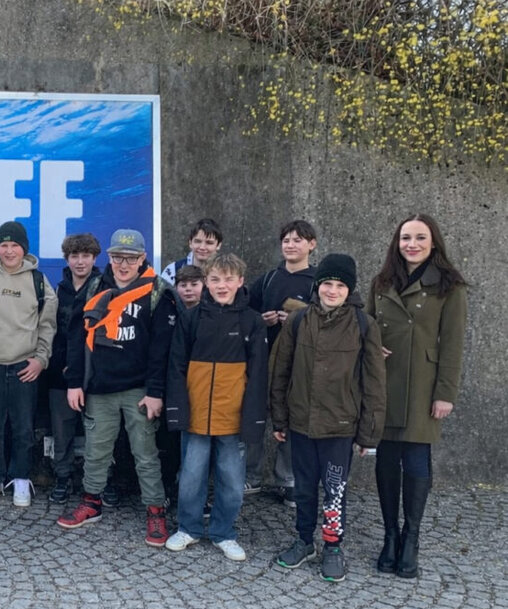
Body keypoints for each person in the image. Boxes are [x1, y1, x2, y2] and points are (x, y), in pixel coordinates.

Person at [270, 254, 387, 581]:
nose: (332, 291)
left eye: (340, 285)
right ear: (317, 285)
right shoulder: (297, 321)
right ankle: (304, 540)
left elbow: (374, 383)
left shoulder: (364, 325)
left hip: (340, 426)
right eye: (327, 284)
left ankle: (333, 546)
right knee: (304, 488)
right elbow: (280, 371)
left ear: (349, 290)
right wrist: (279, 419)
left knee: (334, 489)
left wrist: (368, 434)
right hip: (301, 424)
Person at [56, 229, 171, 545]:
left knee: (145, 453)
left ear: (142, 259)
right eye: (118, 257)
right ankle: (92, 502)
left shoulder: (156, 291)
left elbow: (162, 348)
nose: (123, 264)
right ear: (109, 257)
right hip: (99, 386)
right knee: (96, 451)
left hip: (139, 389)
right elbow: (77, 338)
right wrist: (75, 383)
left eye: (130, 258)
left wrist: (155, 391)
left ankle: (155, 510)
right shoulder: (95, 286)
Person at [367, 214, 466, 579]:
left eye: (420, 237)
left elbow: (453, 344)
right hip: (385, 383)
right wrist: (372, 345)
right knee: (387, 460)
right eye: (405, 237)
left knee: (417, 459)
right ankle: (390, 535)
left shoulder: (449, 286)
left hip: (424, 384)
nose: (412, 244)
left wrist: (446, 394)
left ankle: (412, 537)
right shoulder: (382, 281)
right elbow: (366, 324)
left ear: (433, 242)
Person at [164, 252, 268, 561]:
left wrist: (254, 418)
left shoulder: (252, 321)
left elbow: (258, 374)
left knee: (232, 483)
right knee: (191, 477)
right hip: (195, 416)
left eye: (228, 279)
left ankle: (224, 532)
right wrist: (178, 408)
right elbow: (176, 365)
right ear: (206, 282)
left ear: (240, 282)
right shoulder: (191, 317)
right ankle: (189, 528)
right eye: (215, 279)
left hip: (233, 418)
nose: (221, 285)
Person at [0, 221, 58, 507]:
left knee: (23, 427)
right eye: (4, 245)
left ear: (24, 249)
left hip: (25, 365)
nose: (9, 251)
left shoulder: (38, 282)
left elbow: (47, 326)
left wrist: (40, 360)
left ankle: (20, 477)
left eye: (15, 245)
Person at [246, 220, 319, 500]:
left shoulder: (319, 282)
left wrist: (298, 320)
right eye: (286, 240)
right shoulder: (268, 279)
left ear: (311, 245)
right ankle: (250, 476)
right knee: (255, 419)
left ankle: (287, 480)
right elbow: (245, 313)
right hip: (263, 361)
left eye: (298, 240)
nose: (290, 245)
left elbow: (328, 323)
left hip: (298, 365)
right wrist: (259, 321)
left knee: (290, 421)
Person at [46, 233, 103, 505]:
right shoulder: (57, 289)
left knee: (99, 431)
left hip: (96, 373)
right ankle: (62, 477)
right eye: (75, 256)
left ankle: (102, 481)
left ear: (95, 257)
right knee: (62, 429)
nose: (80, 262)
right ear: (67, 259)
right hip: (61, 372)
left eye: (86, 256)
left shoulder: (105, 288)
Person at [153, 264, 205, 503]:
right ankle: (167, 489)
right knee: (168, 442)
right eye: (183, 285)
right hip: (169, 385)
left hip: (199, 388)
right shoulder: (167, 311)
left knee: (198, 447)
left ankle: (196, 495)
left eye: (194, 285)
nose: (188, 290)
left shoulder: (209, 314)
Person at [159, 218, 222, 287]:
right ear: (190, 243)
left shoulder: (226, 271)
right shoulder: (173, 270)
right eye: (198, 241)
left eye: (209, 243)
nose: (202, 247)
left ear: (218, 245)